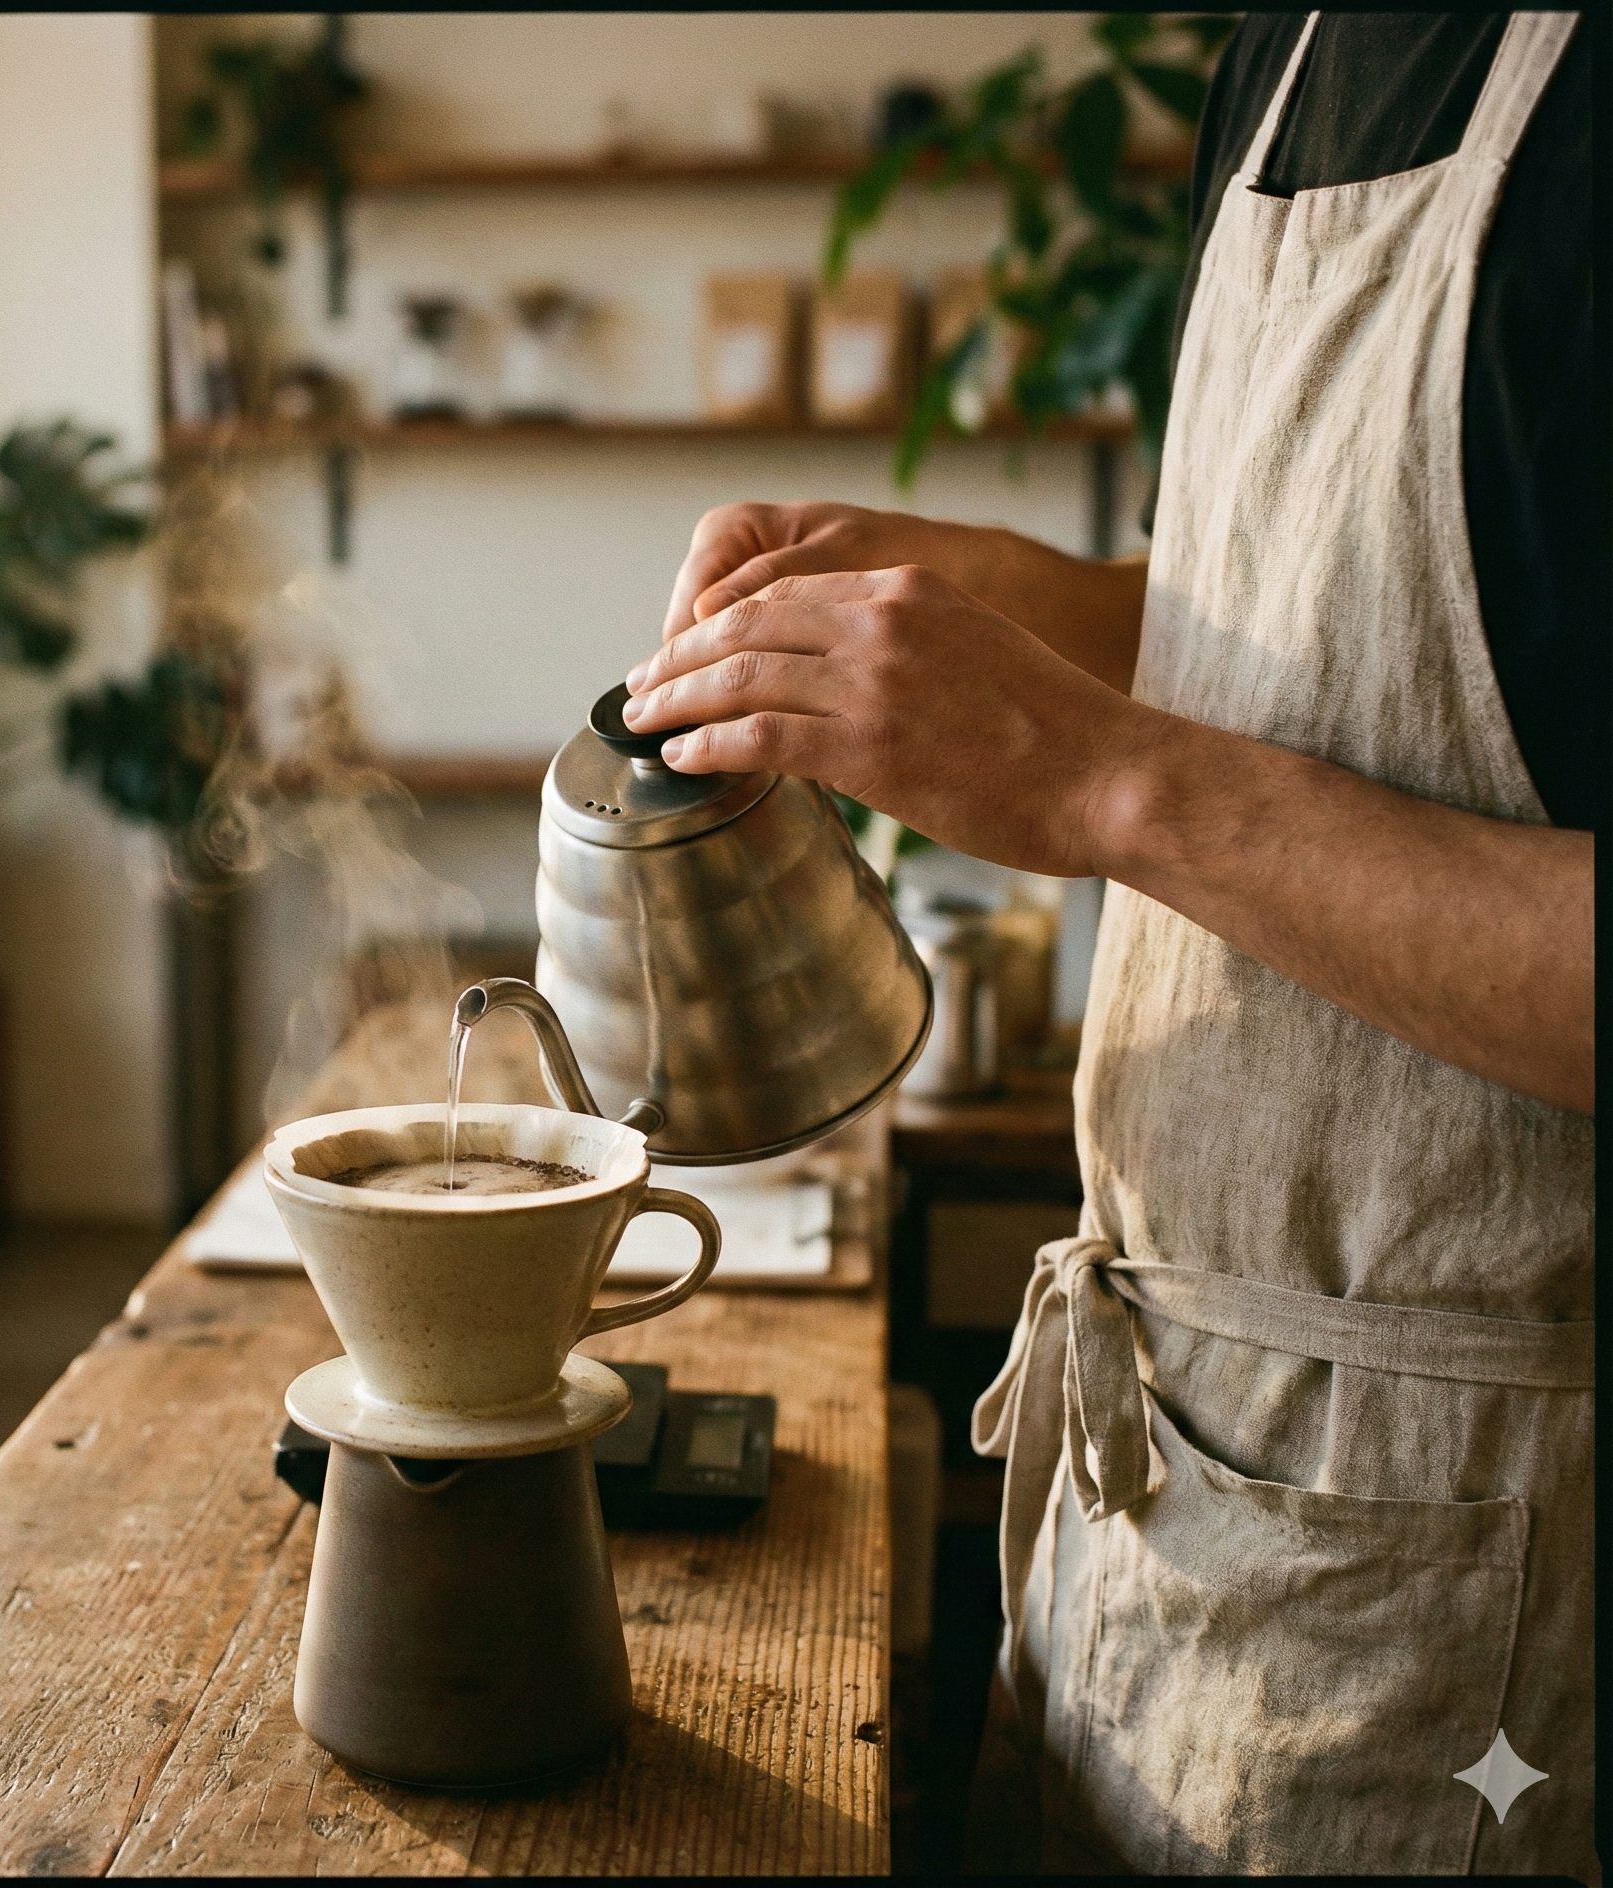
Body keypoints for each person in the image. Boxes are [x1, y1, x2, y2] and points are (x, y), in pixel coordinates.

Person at [623, 12, 1593, 1876]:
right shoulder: (1292, 52)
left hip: (1494, 1569)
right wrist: (1017, 607)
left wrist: (1105, 786)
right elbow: (1315, 632)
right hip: (1158, 1482)